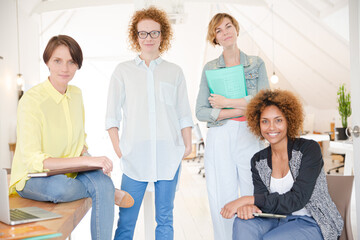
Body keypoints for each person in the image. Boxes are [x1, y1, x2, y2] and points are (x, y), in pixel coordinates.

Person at [9, 35, 133, 240]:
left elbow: (78, 141)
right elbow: (34, 161)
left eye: (71, 62)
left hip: (72, 170)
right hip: (33, 176)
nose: (64, 68)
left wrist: (89, 156)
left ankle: (106, 189)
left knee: (100, 180)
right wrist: (87, 161)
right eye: (57, 60)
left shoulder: (76, 94)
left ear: (78, 65)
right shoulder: (31, 100)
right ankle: (109, 191)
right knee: (65, 188)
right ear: (47, 61)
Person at [106, 6, 193, 240]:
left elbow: (184, 112)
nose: (148, 38)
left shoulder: (174, 72)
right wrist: (119, 148)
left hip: (168, 155)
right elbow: (111, 116)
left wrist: (187, 145)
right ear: (136, 37)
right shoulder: (122, 71)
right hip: (134, 157)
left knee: (165, 219)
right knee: (126, 220)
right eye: (143, 33)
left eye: (154, 33)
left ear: (162, 35)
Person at [221, 89, 344, 240]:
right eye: (265, 121)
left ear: (289, 121)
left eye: (278, 120)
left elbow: (297, 199)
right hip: (274, 218)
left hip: (312, 221)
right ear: (258, 124)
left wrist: (247, 199)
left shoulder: (309, 149)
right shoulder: (258, 160)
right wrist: (251, 207)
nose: (271, 127)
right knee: (242, 224)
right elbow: (262, 199)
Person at [195, 13, 270, 239]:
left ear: (236, 30)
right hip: (220, 135)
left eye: (228, 27)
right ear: (215, 38)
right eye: (219, 30)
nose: (225, 32)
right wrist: (242, 108)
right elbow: (200, 111)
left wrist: (227, 103)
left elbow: (264, 102)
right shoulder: (210, 67)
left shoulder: (256, 63)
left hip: (250, 134)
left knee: (252, 193)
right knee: (222, 194)